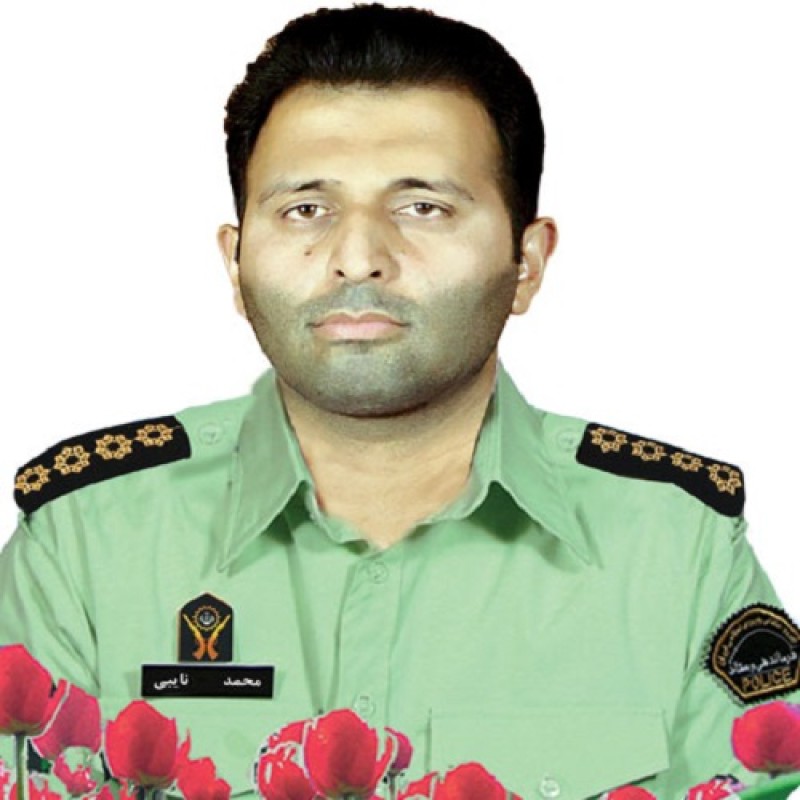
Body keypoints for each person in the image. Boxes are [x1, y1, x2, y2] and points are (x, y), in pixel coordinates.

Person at [1, 5, 798, 798]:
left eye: (424, 207)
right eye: (305, 209)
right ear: (236, 263)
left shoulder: (680, 549)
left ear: (526, 262)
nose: (358, 258)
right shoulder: (82, 545)